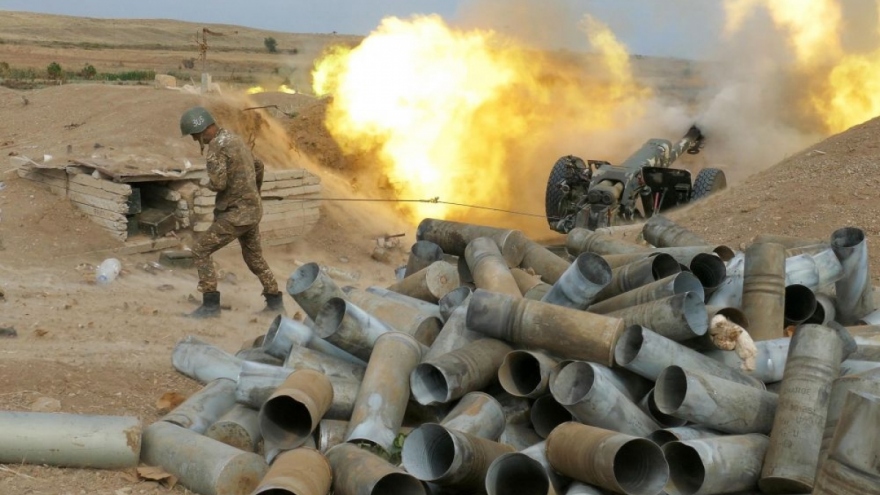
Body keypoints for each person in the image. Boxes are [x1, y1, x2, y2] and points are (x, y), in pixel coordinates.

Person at [179, 106, 285, 318]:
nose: (194, 140)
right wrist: (254, 191)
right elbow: (259, 165)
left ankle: (210, 306)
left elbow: (219, 183)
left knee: (200, 250)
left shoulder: (216, 149)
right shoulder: (234, 139)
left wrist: (206, 183)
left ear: (201, 131)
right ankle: (275, 303)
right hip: (253, 210)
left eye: (193, 135)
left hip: (236, 215)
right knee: (254, 258)